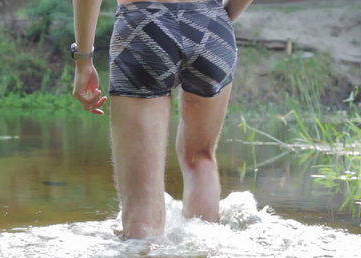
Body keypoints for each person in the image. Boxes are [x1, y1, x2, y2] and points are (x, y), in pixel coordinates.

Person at [72, 0, 253, 240]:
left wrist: (83, 59)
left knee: (142, 209)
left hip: (144, 23)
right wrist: (224, 15)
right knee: (199, 158)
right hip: (211, 23)